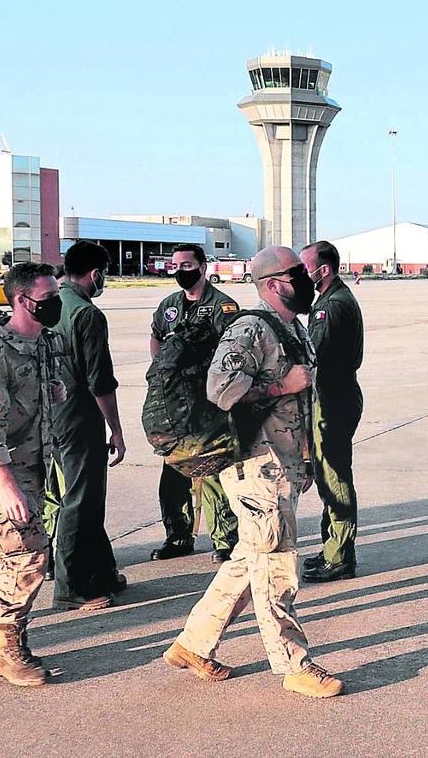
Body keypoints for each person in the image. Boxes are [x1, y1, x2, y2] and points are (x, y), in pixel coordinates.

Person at [163, 246, 343, 699]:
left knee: (249, 560)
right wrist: (283, 383)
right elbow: (220, 390)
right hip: (254, 467)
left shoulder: (291, 328)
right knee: (277, 565)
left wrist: (303, 459)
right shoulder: (250, 329)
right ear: (271, 284)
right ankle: (294, 664)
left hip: (282, 465)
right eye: (295, 273)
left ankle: (192, 643)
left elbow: (300, 403)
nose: (304, 278)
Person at [0, 262, 63, 686]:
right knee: (29, 552)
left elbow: (47, 393)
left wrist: (56, 390)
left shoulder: (43, 342)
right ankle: (9, 648)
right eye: (47, 298)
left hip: (29, 462)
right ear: (22, 300)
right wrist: (7, 487)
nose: (54, 303)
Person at [149, 244, 242, 564]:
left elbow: (232, 352)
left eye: (187, 264)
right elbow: (157, 337)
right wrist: (164, 373)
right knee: (173, 472)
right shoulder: (169, 305)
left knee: (214, 470)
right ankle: (178, 535)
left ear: (203, 267)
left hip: (206, 404)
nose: (180, 270)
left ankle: (225, 539)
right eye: (175, 265)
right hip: (174, 406)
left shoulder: (223, 306)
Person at [50, 240, 126, 610]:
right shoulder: (86, 315)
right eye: (104, 275)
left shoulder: (51, 304)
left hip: (50, 417)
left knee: (85, 498)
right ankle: (70, 586)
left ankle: (102, 573)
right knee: (81, 500)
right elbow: (100, 381)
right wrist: (117, 428)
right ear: (95, 274)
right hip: (80, 418)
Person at [298, 241, 364, 582]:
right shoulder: (331, 299)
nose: (299, 273)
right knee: (327, 474)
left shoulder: (330, 307)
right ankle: (332, 547)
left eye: (304, 266)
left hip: (333, 397)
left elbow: (314, 357)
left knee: (334, 476)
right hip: (336, 393)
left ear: (322, 270)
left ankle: (339, 556)